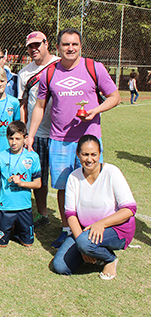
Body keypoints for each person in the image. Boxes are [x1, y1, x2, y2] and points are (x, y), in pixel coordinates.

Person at [27, 28, 121, 248]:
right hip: (59, 140)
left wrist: (96, 110)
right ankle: (67, 229)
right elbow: (40, 106)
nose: (70, 48)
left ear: (80, 46)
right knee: (63, 186)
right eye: (66, 44)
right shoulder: (49, 73)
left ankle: (94, 228)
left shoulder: (93, 68)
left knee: (92, 184)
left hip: (89, 140)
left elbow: (115, 96)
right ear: (58, 47)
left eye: (74, 44)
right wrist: (30, 135)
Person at [52, 135, 137, 279]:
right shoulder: (73, 177)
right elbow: (70, 214)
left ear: (100, 154)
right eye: (85, 154)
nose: (89, 159)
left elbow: (129, 209)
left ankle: (109, 259)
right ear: (78, 154)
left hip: (116, 229)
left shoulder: (112, 172)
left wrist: (101, 224)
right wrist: (81, 244)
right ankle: (90, 248)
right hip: (85, 231)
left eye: (93, 154)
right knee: (60, 266)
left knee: (86, 242)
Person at [18, 32, 60, 228]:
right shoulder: (24, 73)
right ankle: (43, 214)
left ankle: (68, 218)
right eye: (30, 46)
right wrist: (26, 132)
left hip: (62, 133)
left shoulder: (61, 64)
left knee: (65, 178)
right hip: (38, 134)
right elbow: (23, 105)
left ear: (46, 44)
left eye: (37, 44)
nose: (34, 49)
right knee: (39, 176)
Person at [0, 121, 41, 248]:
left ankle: (19, 230)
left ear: (25, 138)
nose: (14, 142)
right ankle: (10, 228)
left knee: (28, 243)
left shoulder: (33, 157)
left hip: (24, 207)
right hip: (6, 207)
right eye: (11, 138)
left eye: (18, 139)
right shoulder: (0, 156)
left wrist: (22, 183)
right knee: (1, 244)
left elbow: (38, 184)